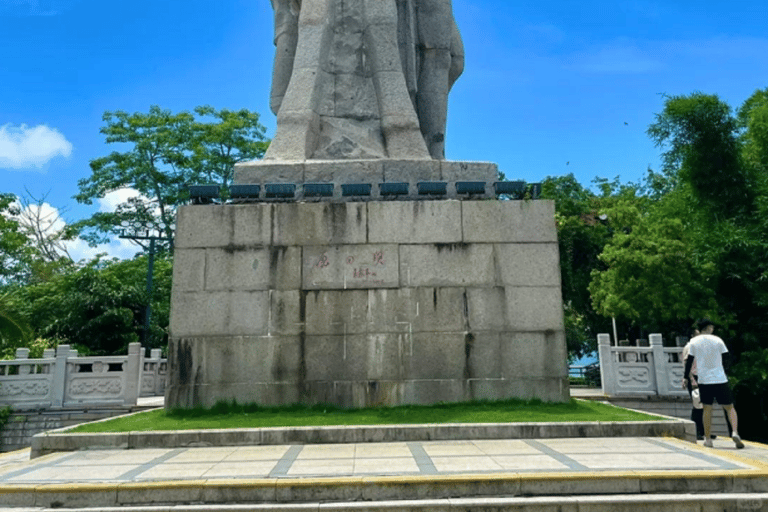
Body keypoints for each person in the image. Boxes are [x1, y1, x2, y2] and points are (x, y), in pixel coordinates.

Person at [683, 319, 744, 448]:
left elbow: (689, 360)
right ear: (709, 327)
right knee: (730, 407)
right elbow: (727, 357)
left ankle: (708, 439)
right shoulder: (718, 340)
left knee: (707, 409)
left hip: (704, 379)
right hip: (720, 378)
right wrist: (724, 370)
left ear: (700, 329)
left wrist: (685, 377)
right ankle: (734, 431)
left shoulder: (694, 342)